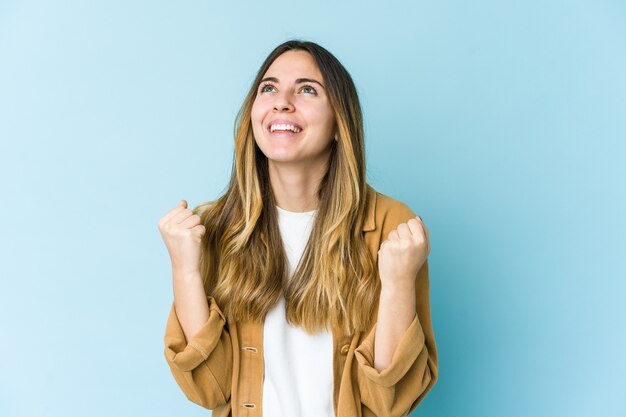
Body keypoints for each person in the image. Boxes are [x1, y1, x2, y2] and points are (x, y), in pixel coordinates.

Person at [157, 39, 438, 417]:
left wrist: (399, 283)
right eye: (268, 88)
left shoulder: (390, 226)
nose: (282, 101)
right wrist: (185, 270)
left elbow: (390, 401)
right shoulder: (213, 229)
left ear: (340, 123)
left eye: (307, 89)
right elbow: (210, 388)